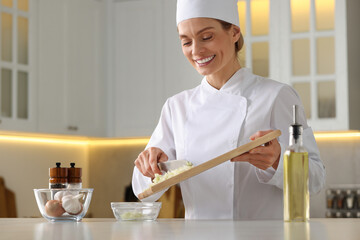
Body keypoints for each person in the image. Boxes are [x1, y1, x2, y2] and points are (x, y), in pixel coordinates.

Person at [132, 0, 325, 220]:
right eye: (186, 42)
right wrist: (150, 166)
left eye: (206, 37)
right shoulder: (177, 107)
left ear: (234, 32)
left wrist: (278, 160)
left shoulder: (276, 96)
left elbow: (316, 180)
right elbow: (143, 193)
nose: (196, 51)